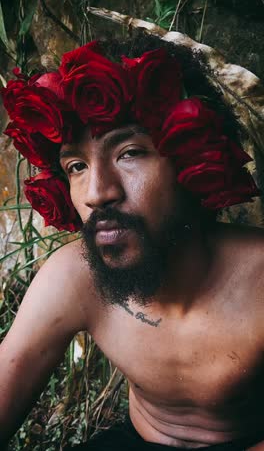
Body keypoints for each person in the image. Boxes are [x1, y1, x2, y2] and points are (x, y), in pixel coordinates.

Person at [0, 34, 264, 451]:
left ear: (192, 160)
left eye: (130, 153)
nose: (96, 192)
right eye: (76, 166)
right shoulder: (73, 276)